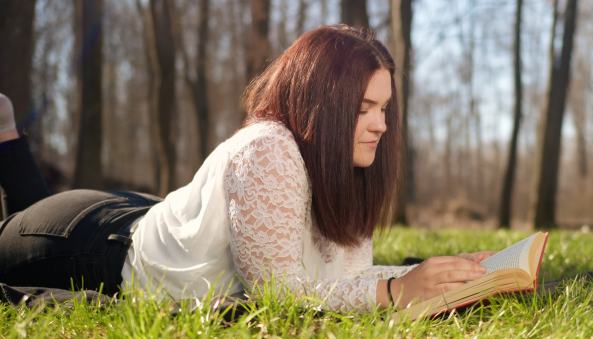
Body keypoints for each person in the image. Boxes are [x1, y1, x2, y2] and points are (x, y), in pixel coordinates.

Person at [0, 25, 490, 312]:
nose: (381, 125)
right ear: (324, 105)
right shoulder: (268, 149)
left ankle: (5, 135)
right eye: (364, 109)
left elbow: (347, 278)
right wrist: (397, 290)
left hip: (145, 216)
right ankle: (6, 133)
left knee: (28, 209)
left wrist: (442, 275)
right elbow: (279, 296)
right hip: (85, 243)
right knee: (14, 233)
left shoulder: (346, 167)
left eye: (384, 109)